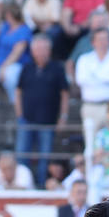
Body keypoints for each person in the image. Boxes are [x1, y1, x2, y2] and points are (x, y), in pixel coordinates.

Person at [15, 34, 69, 189]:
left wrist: (63, 116)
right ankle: (22, 186)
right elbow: (18, 91)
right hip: (27, 119)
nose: (41, 52)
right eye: (38, 48)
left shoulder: (57, 68)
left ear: (49, 50)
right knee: (22, 155)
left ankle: (41, 185)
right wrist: (19, 114)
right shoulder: (27, 68)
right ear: (32, 51)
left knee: (45, 157)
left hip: (48, 121)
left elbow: (64, 94)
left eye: (44, 48)